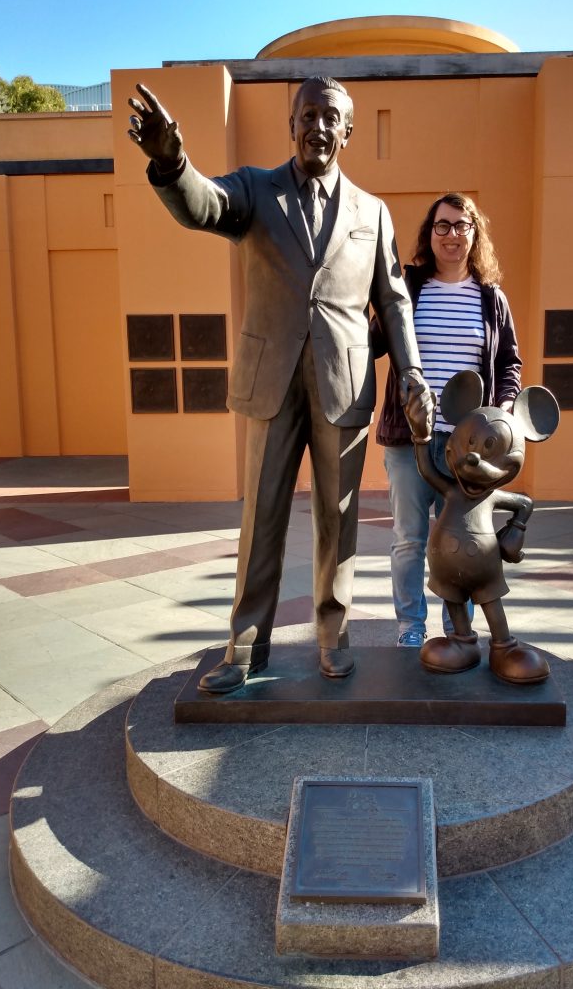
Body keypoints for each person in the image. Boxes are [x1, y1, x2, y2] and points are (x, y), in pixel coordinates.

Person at [127, 77, 432, 693]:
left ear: (347, 131)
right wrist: (171, 161)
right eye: (308, 115)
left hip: (341, 385)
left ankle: (332, 636)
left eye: (331, 118)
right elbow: (203, 205)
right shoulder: (255, 190)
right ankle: (245, 646)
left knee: (336, 520)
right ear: (291, 125)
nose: (319, 126)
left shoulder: (372, 211)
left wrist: (413, 372)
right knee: (260, 516)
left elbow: (394, 302)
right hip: (271, 381)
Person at [372, 193, 522, 647]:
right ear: (429, 233)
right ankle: (410, 628)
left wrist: (505, 410)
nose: (452, 234)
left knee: (467, 539)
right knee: (410, 539)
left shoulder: (491, 298)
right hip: (410, 438)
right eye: (443, 225)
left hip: (470, 448)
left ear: (475, 233)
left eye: (462, 225)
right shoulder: (408, 285)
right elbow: (375, 341)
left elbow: (510, 362)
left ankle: (458, 630)